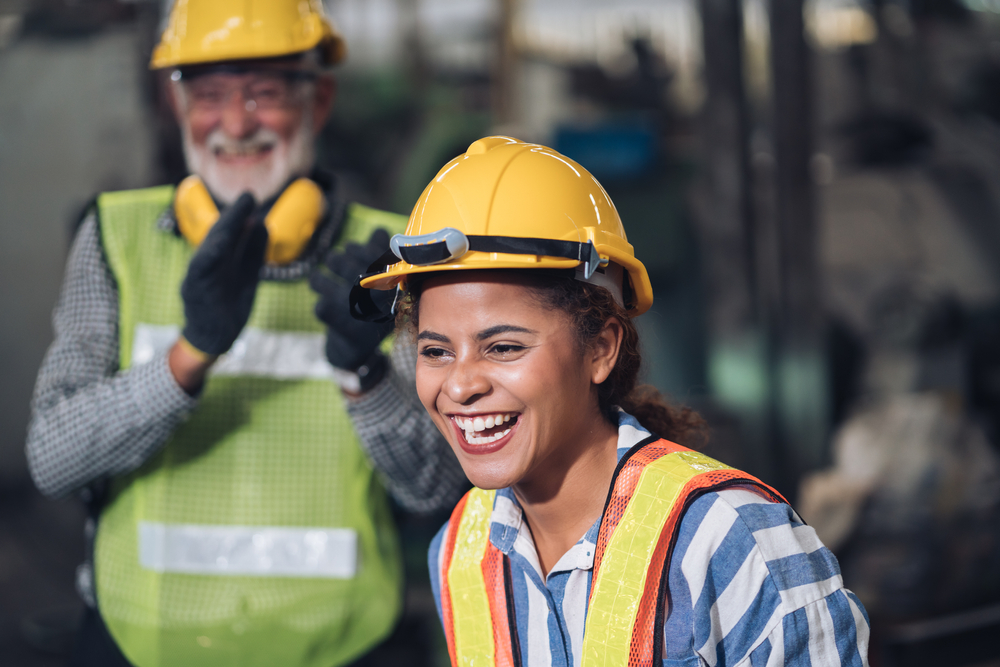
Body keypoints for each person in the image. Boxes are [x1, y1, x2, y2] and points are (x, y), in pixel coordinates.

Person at [25, 1, 465, 666]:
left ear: (318, 99)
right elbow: (53, 459)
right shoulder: (115, 236)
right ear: (175, 105)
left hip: (340, 647)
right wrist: (189, 353)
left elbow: (434, 486)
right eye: (209, 95)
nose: (234, 122)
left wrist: (363, 371)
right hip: (140, 643)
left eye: (262, 93)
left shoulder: (388, 252)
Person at [352, 136, 871, 666]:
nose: (460, 386)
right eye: (436, 351)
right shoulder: (461, 550)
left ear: (600, 348)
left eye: (503, 347)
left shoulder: (729, 539)